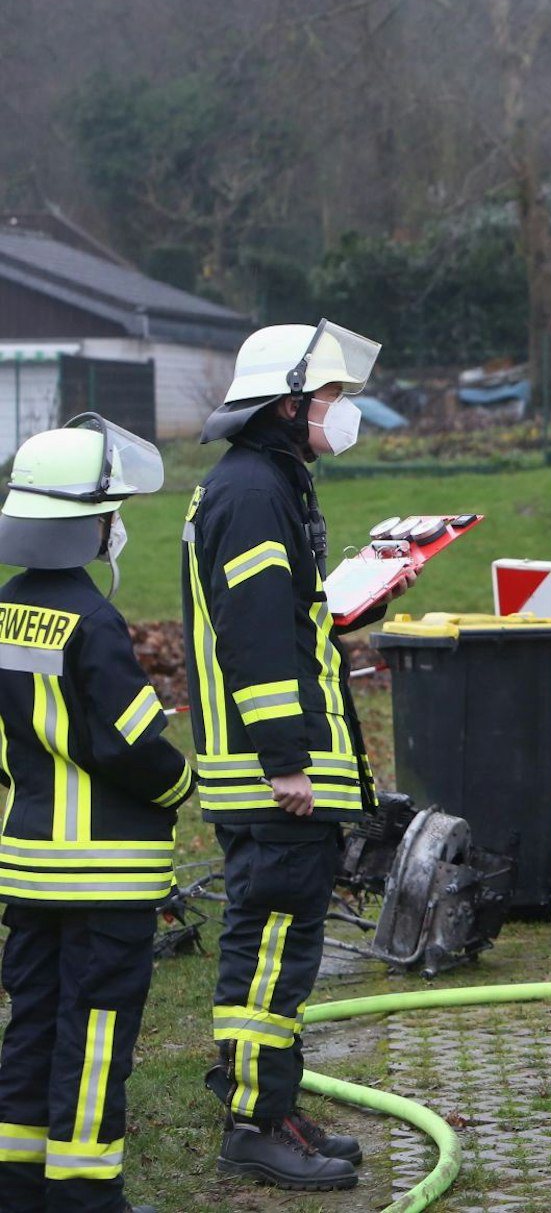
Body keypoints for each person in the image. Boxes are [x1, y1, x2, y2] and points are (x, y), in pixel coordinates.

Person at [183, 320, 385, 1191]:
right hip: (275, 781)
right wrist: (286, 760)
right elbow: (259, 636)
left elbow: (287, 620)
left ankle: (268, 1100)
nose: (341, 413)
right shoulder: (256, 491)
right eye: (332, 398)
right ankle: (256, 1125)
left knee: (265, 944)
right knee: (274, 949)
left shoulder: (259, 483)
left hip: (265, 776)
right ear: (289, 401)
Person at [0, 417, 188, 1213]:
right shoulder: (94, 621)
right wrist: (179, 784)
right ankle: (82, 1193)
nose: (120, 526)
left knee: (34, 1018)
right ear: (87, 522)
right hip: (105, 871)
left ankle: (16, 1181)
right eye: (113, 511)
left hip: (30, 866)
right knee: (97, 1029)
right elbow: (131, 745)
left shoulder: (7, 609)